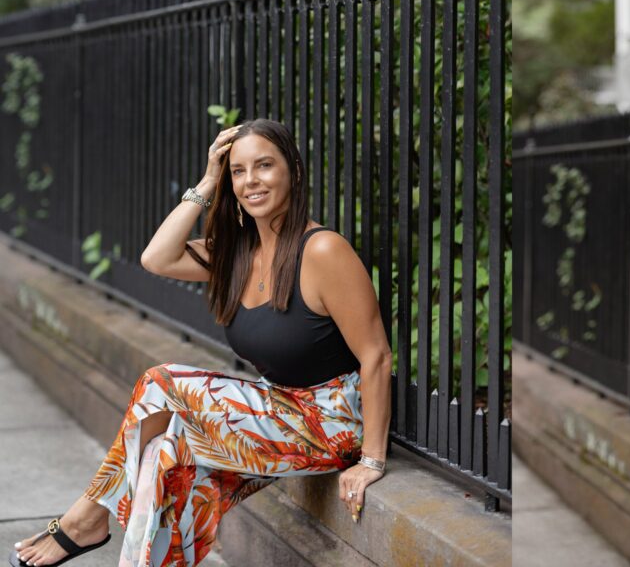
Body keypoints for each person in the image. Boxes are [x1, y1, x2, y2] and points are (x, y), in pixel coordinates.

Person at [10, 119, 392, 567]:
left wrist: (372, 461)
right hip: (278, 411)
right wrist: (208, 181)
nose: (251, 181)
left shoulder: (323, 250)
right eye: (238, 171)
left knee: (162, 381)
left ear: (294, 170)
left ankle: (85, 518)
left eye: (265, 166)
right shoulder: (237, 253)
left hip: (328, 424)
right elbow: (157, 258)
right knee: (164, 456)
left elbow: (376, 356)